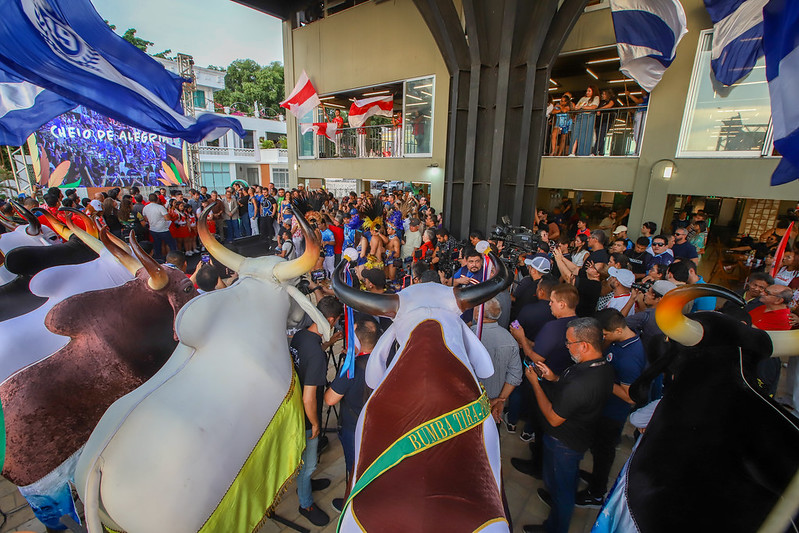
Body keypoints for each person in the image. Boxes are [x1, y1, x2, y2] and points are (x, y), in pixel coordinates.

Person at [521, 317, 614, 533]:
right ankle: (555, 497)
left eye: (569, 342)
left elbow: (554, 417)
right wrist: (552, 378)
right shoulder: (600, 367)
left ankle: (555, 527)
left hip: (564, 443)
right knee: (561, 481)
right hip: (576, 436)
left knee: (563, 489)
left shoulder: (583, 383)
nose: (566, 346)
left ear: (584, 345)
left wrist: (536, 384)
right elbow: (568, 388)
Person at [577, 309, 646, 508]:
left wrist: (602, 377)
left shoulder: (630, 358)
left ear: (617, 330)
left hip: (611, 414)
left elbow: (629, 396)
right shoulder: (622, 341)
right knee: (598, 449)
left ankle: (597, 494)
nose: (603, 338)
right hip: (602, 407)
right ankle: (595, 479)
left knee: (603, 452)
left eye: (605, 334)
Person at [290, 296, 344, 527]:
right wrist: (315, 424)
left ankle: (306, 483)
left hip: (292, 408)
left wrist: (330, 343)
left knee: (306, 463)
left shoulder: (302, 335)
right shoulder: (316, 357)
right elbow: (309, 397)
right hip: (304, 416)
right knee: (309, 462)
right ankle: (306, 503)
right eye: (337, 321)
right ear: (331, 319)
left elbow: (311, 352)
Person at [325, 316, 380, 512]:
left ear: (355, 342)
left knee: (355, 468)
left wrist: (347, 363)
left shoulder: (352, 368)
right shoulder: (388, 360)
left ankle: (354, 506)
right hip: (379, 425)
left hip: (354, 428)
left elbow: (330, 399)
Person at [473, 298, 523, 424]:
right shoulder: (510, 340)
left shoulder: (468, 336)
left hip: (470, 406)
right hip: (494, 407)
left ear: (478, 314)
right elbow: (515, 375)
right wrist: (500, 400)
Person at [142, 193, 176, 261]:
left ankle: (159, 260)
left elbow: (145, 219)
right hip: (163, 229)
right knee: (172, 245)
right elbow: (167, 218)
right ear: (157, 199)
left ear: (149, 199)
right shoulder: (160, 207)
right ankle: (174, 258)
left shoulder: (145, 208)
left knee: (157, 246)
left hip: (153, 229)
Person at [569, 85, 599, 156]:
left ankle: (585, 152)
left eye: (589, 91)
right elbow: (577, 107)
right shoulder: (583, 98)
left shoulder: (595, 98)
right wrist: (577, 108)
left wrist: (582, 107)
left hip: (588, 117)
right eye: (587, 91)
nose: (587, 92)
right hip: (579, 116)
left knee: (585, 135)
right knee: (576, 134)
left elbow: (594, 106)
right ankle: (572, 152)